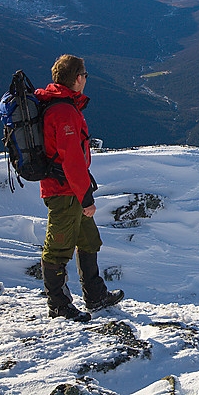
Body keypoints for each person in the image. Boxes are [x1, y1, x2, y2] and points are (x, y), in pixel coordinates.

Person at [36, 54, 124, 322]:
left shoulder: (61, 104)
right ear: (77, 78)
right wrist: (86, 197)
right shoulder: (63, 111)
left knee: (88, 240)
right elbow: (72, 159)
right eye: (84, 75)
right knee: (58, 247)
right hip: (65, 192)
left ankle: (95, 296)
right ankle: (59, 305)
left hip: (70, 188)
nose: (86, 79)